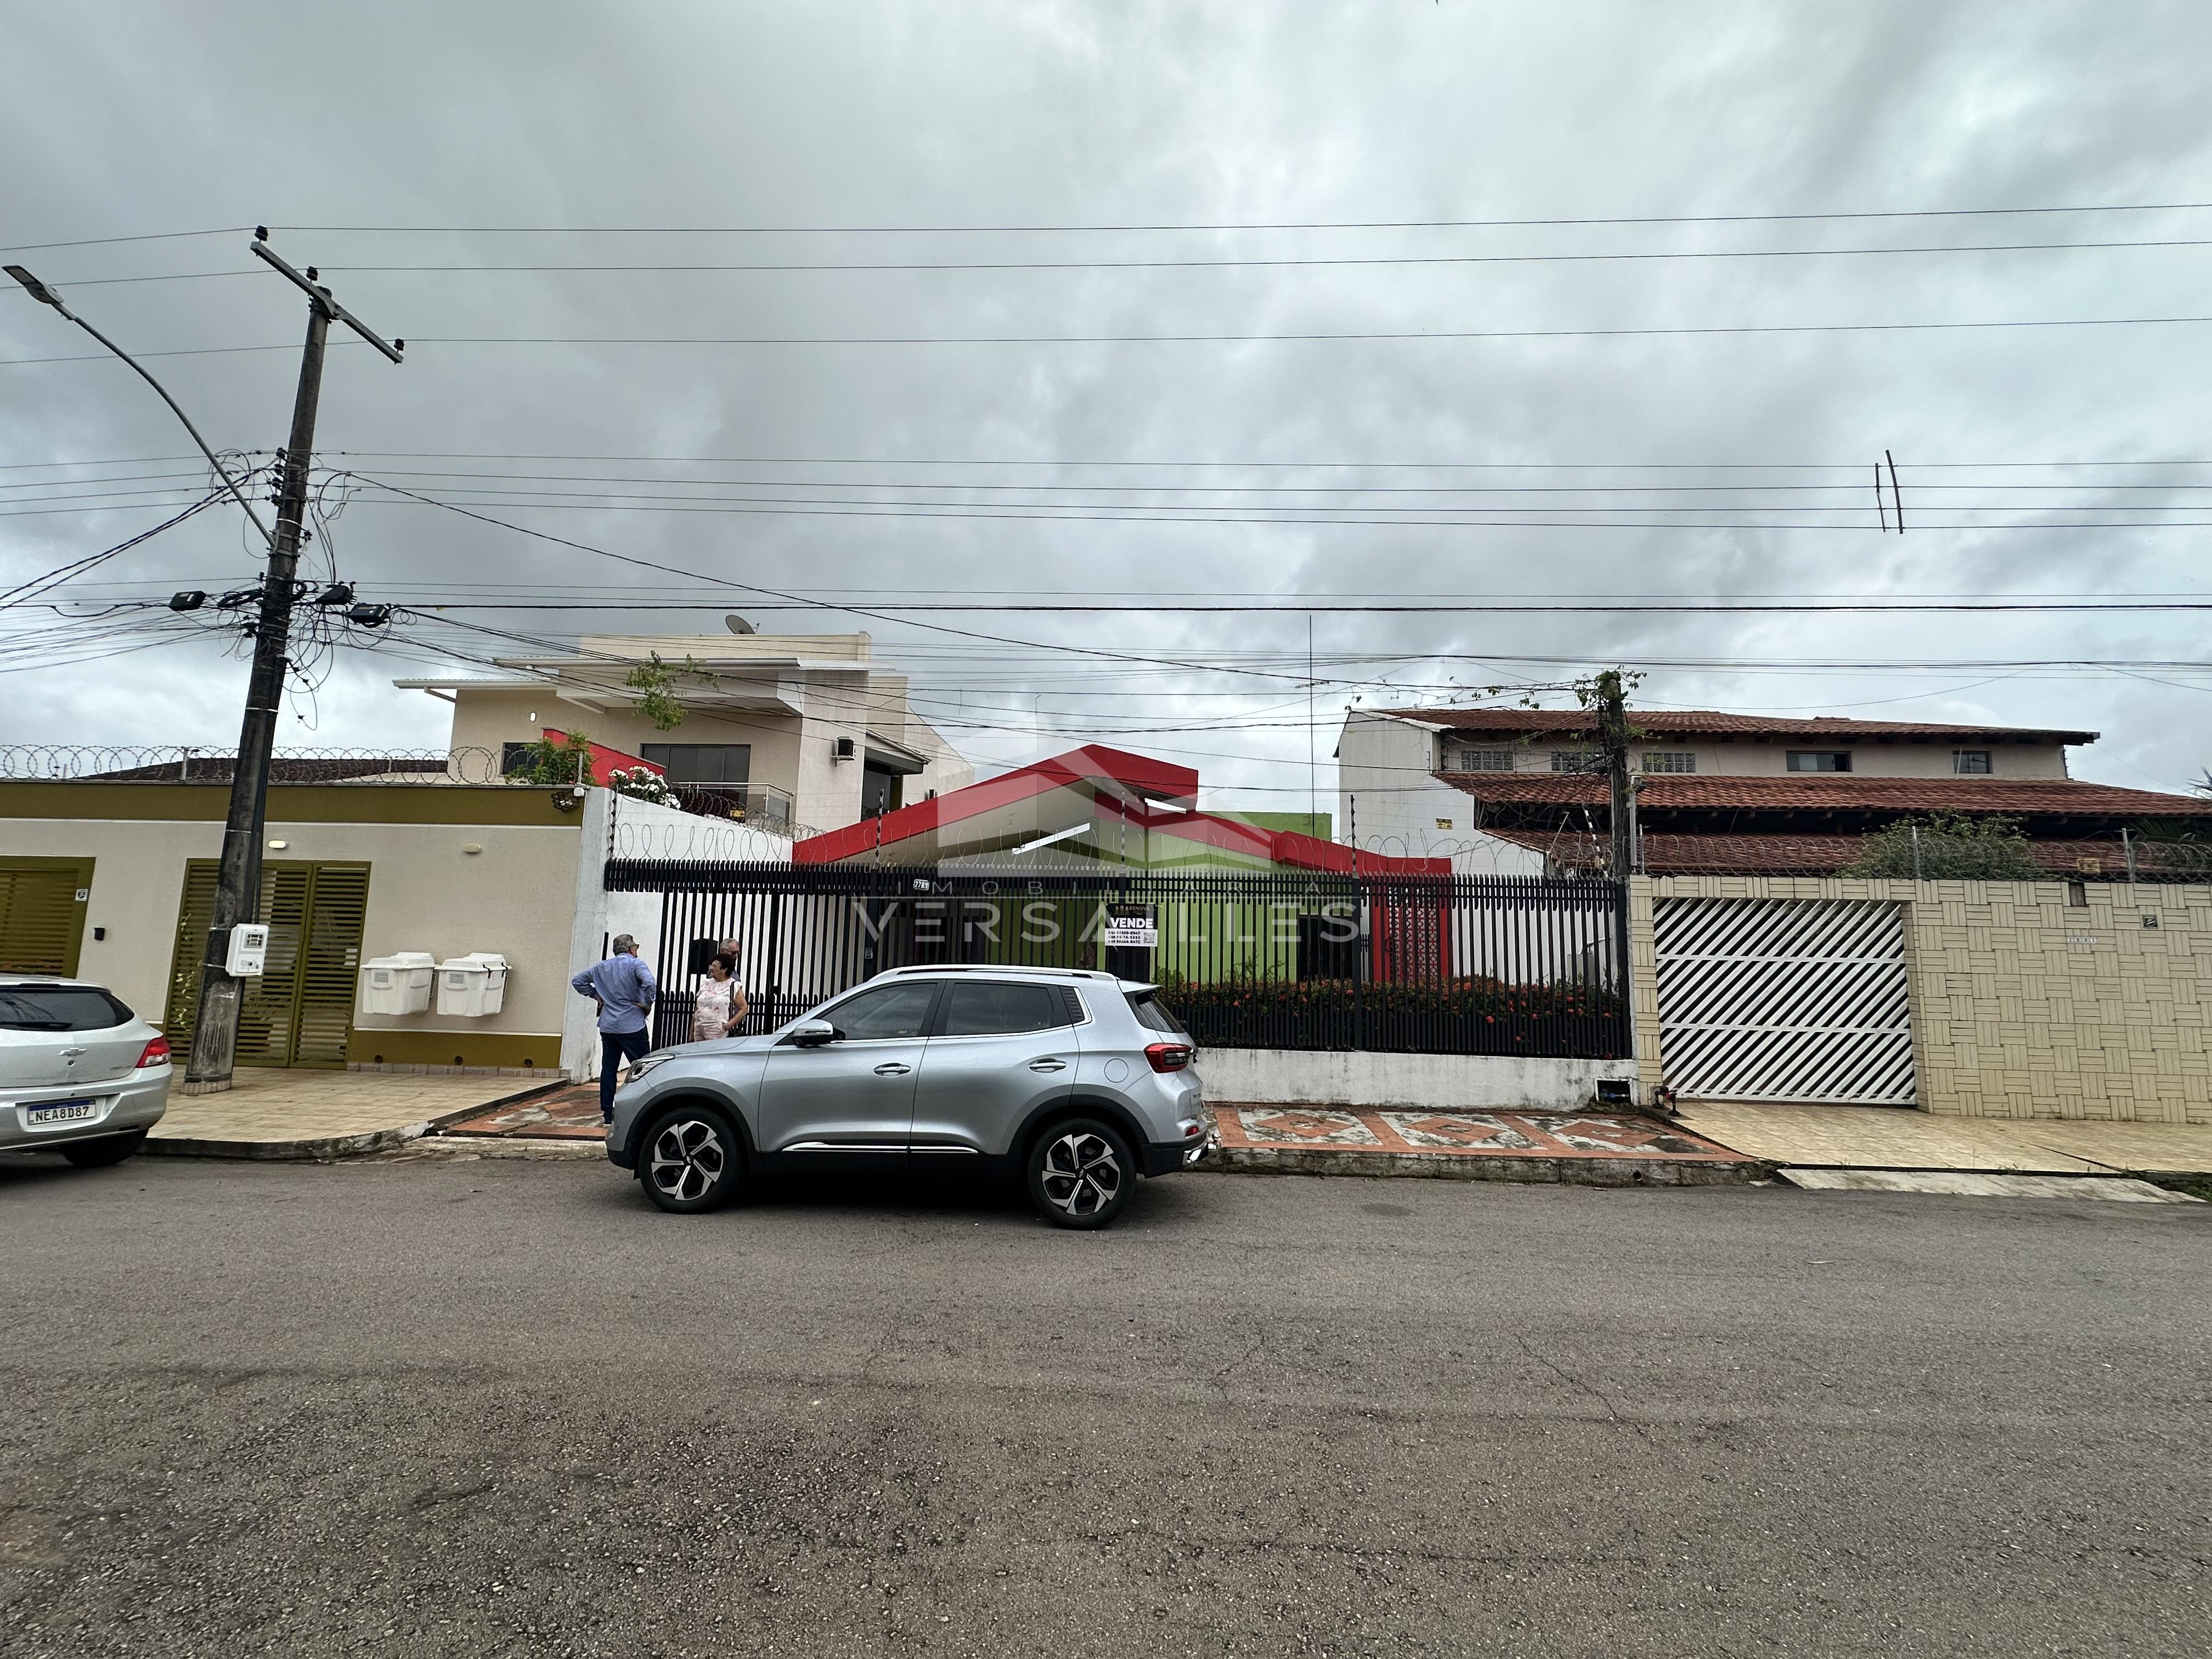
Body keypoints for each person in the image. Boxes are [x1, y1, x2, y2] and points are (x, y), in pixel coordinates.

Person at [572, 934, 658, 1125]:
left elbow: (578, 982)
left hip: (609, 1025)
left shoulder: (600, 967)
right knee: (644, 1068)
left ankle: (607, 1114)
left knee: (609, 1069)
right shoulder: (637, 965)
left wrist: (597, 995)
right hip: (632, 1025)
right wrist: (646, 1002)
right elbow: (650, 983)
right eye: (636, 947)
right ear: (630, 949)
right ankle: (646, 1108)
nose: (637, 950)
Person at [690, 952, 749, 1042]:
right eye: (711, 965)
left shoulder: (733, 986)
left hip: (718, 1032)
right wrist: (691, 1033)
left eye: (715, 966)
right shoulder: (706, 983)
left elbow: (744, 1008)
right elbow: (697, 1008)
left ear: (724, 969)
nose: (711, 968)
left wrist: (729, 1024)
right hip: (699, 1028)